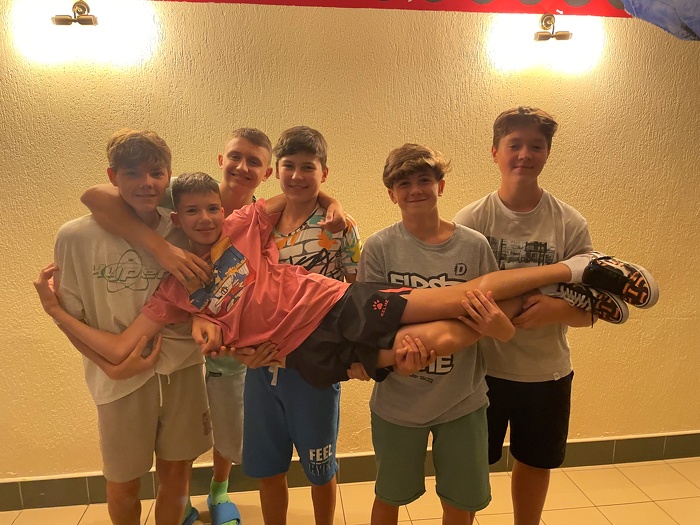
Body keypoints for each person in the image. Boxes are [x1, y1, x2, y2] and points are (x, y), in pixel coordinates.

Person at [36, 172, 657, 391]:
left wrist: (334, 202)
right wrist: (57, 313)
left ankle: (580, 270)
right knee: (432, 342)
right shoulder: (174, 292)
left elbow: (302, 188)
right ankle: (566, 300)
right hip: (303, 356)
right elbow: (119, 350)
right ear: (175, 218)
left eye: (210, 209)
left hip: (334, 306)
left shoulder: (244, 225)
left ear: (223, 209)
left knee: (459, 300)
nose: (203, 220)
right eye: (190, 213)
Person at [80, 127, 346, 525]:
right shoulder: (189, 195)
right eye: (235, 157)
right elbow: (95, 196)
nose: (242, 167)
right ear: (221, 160)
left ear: (267, 172)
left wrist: (332, 200)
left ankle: (219, 491)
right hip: (181, 349)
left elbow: (261, 279)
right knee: (185, 443)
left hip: (243, 354)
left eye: (254, 162)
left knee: (229, 431)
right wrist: (162, 250)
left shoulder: (258, 216)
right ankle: (183, 504)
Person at [452, 106, 658, 525]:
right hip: (480, 371)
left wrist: (557, 310)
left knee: (535, 462)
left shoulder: (568, 221)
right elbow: (459, 299)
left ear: (547, 153)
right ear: (494, 152)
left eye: (536, 146)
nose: (524, 154)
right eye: (514, 144)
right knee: (470, 468)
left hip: (545, 373)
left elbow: (589, 315)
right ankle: (569, 273)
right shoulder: (471, 220)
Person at [51, 129, 212, 525]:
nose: (146, 183)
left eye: (156, 173)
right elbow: (71, 318)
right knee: (123, 483)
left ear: (169, 176)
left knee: (178, 474)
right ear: (113, 176)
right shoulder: (75, 237)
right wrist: (109, 366)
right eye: (132, 173)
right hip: (119, 382)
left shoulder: (183, 228)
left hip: (182, 369)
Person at [358, 143, 513, 525]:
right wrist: (397, 359)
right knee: (389, 495)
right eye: (404, 183)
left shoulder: (474, 246)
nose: (415, 190)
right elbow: (370, 327)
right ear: (391, 194)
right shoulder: (379, 247)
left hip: (462, 399)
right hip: (397, 402)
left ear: (440, 186)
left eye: (424, 180)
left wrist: (499, 327)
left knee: (461, 502)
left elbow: (497, 309)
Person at [241, 127, 362, 525]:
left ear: (324, 173)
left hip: (315, 365)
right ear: (276, 170)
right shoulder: (259, 224)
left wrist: (353, 353)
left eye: (308, 167)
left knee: (320, 469)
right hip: (261, 365)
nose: (296, 175)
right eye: (288, 166)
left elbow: (357, 293)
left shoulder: (339, 225)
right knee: (268, 468)